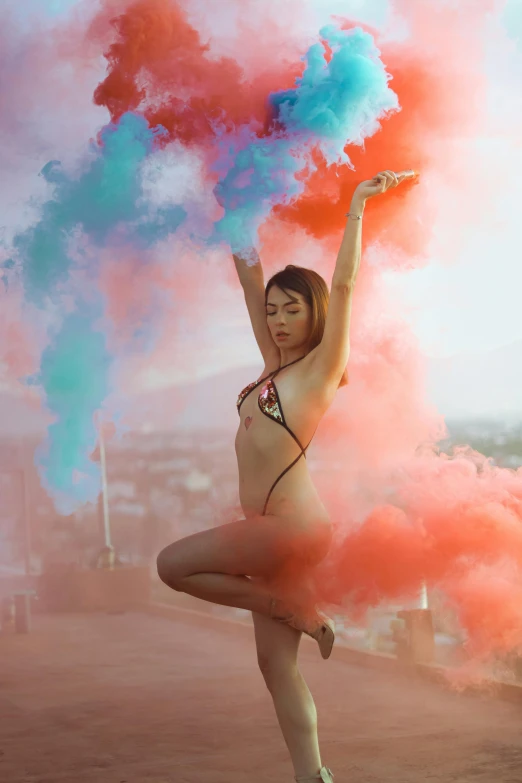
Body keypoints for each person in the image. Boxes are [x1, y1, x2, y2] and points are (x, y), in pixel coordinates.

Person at [157, 170, 412, 782]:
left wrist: (356, 206)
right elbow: (249, 280)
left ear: (313, 313)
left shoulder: (320, 371)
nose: (275, 318)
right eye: (272, 310)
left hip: (292, 529)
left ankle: (290, 605)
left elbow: (346, 284)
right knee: (277, 671)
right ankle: (313, 776)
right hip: (270, 534)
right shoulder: (272, 366)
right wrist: (233, 204)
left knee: (171, 565)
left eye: (290, 309)